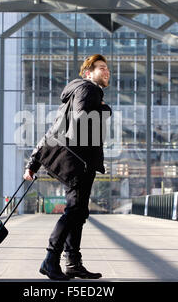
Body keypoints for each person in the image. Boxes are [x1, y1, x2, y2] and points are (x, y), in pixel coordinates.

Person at [23, 54, 112, 281]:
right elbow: (81, 119)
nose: (106, 72)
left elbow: (54, 129)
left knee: (78, 212)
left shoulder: (74, 92)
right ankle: (51, 260)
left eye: (107, 69)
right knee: (75, 212)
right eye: (101, 68)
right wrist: (105, 110)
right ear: (88, 73)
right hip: (79, 162)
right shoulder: (89, 89)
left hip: (73, 160)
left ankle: (72, 263)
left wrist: (33, 162)